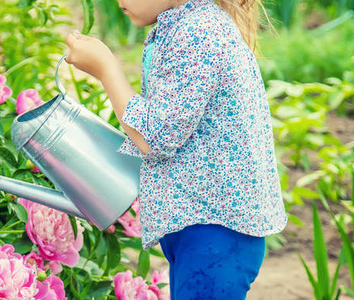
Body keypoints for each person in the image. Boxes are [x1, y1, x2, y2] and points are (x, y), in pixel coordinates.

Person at [64, 0, 288, 298]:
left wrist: (106, 69)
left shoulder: (198, 33)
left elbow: (155, 137)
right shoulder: (185, 25)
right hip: (205, 227)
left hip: (214, 233)